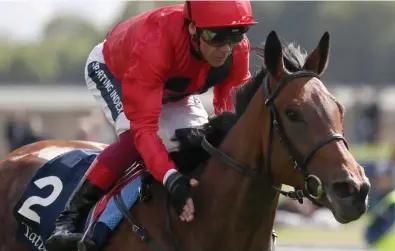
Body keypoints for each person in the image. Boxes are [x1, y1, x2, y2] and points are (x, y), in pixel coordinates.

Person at [45, 1, 257, 249]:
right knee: (133, 143)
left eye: (236, 35)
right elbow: (144, 129)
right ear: (192, 30)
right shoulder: (157, 42)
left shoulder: (237, 50)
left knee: (198, 145)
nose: (226, 48)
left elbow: (229, 113)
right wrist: (171, 178)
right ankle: (69, 219)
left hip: (170, 88)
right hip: (117, 72)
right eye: (216, 37)